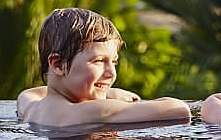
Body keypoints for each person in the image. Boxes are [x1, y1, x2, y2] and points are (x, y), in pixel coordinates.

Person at [16, 7, 191, 127]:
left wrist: (109, 92)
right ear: (58, 64)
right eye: (98, 61)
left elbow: (30, 93)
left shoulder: (32, 107)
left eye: (113, 62)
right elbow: (179, 110)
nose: (111, 73)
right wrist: (110, 99)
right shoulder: (92, 112)